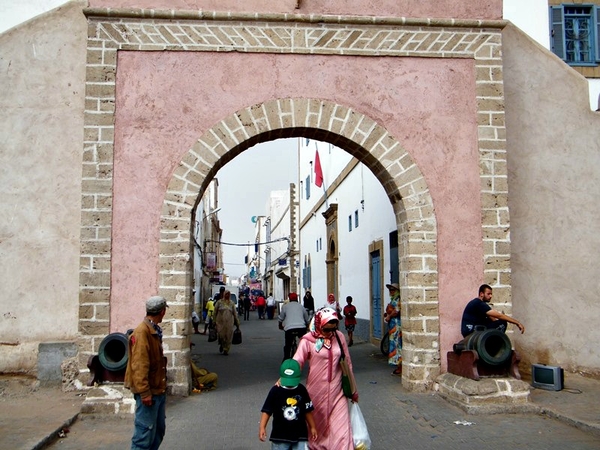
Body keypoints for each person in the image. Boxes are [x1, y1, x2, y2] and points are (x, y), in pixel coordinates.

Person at [293, 307, 358, 450]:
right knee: (317, 433)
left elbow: (347, 363)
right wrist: (285, 378)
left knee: (342, 431)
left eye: (333, 329)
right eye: (326, 329)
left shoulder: (339, 337)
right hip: (315, 394)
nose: (330, 333)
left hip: (337, 392)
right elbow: (297, 361)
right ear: (318, 324)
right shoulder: (307, 341)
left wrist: (353, 390)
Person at [124, 296, 169, 450]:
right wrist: (144, 392)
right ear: (162, 312)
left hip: (158, 389)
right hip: (150, 392)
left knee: (157, 431)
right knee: (144, 434)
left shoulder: (153, 330)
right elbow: (139, 365)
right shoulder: (142, 333)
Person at [259, 359, 317, 449]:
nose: (290, 385)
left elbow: (307, 410)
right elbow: (267, 410)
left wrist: (312, 426)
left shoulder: (301, 390)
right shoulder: (275, 391)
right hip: (280, 436)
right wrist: (262, 427)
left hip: (300, 435)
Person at [461, 284, 525, 338]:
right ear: (481, 294)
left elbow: (493, 319)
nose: (490, 296)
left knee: (494, 322)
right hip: (472, 330)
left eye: (491, 294)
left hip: (470, 330)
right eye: (488, 294)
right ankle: (495, 345)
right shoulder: (479, 303)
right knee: (503, 322)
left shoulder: (479, 304)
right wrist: (517, 323)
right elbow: (499, 316)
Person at [278, 292, 310, 360]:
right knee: (304, 342)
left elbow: (281, 318)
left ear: (289, 299)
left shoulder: (285, 306)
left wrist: (280, 326)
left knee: (288, 345)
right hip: (301, 328)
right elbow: (307, 319)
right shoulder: (301, 306)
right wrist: (307, 326)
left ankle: (286, 359)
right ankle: (306, 355)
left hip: (289, 329)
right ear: (297, 299)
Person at [213, 290, 240, 356]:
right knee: (221, 335)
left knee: (228, 336)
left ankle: (226, 349)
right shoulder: (219, 302)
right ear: (224, 295)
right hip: (220, 322)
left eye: (228, 294)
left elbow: (235, 314)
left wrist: (237, 323)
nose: (227, 296)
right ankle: (222, 345)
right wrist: (214, 321)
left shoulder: (232, 303)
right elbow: (215, 312)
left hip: (229, 323)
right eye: (226, 294)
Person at [384, 283, 402, 376]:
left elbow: (397, 311)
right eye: (390, 290)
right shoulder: (393, 299)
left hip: (396, 325)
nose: (391, 291)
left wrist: (389, 316)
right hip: (392, 325)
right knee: (394, 344)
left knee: (397, 344)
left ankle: (400, 366)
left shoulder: (398, 299)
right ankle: (398, 365)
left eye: (393, 290)